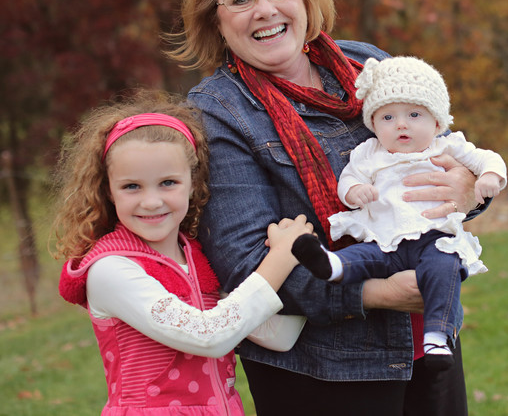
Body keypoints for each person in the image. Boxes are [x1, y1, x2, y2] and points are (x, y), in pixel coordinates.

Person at [165, 0, 489, 415]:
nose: (265, 10)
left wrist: (467, 191)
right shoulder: (217, 112)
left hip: (428, 337)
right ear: (217, 21)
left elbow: (440, 156)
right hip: (322, 368)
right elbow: (246, 263)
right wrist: (379, 293)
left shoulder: (368, 66)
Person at [53, 90, 314, 415]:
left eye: (168, 182)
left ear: (193, 182)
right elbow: (209, 336)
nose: (151, 201)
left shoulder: (198, 257)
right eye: (131, 186)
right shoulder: (110, 269)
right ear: (108, 189)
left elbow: (279, 336)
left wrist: (311, 260)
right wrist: (279, 260)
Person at [292, 56, 507, 372]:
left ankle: (437, 335)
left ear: (436, 122)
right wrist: (353, 192)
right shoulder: (368, 153)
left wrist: (487, 177)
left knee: (444, 269)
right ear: (374, 124)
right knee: (363, 256)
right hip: (386, 240)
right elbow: (350, 178)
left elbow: (489, 158)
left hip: (434, 240)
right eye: (388, 117)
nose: (401, 124)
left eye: (414, 114)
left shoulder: (445, 146)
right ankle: (331, 265)